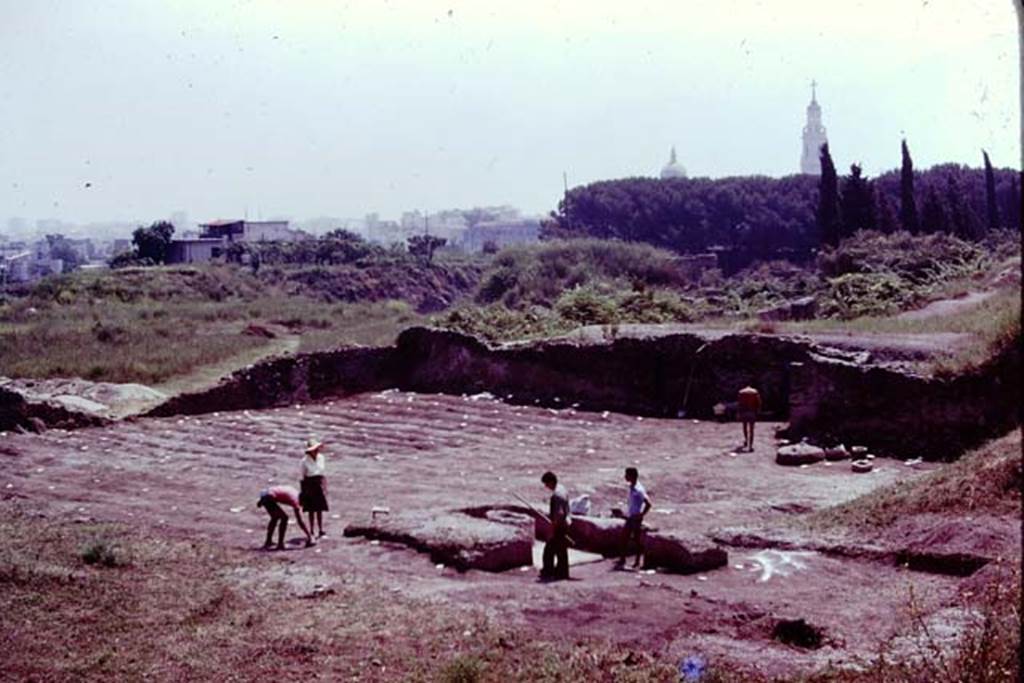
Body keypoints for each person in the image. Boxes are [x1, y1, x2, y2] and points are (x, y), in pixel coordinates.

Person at [257, 485, 315, 550]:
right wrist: (309, 536)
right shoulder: (295, 500)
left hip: (266, 493)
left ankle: (269, 541)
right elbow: (300, 521)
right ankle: (280, 544)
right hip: (268, 496)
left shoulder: (295, 493)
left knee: (275, 518)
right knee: (284, 518)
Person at [617, 467, 652, 569]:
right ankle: (623, 560)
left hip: (635, 518)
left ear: (632, 476)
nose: (625, 477)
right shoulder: (632, 487)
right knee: (625, 538)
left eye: (627, 475)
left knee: (635, 539)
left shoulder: (638, 489)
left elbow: (648, 504)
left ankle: (637, 561)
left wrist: (641, 514)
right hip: (631, 516)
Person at [540, 471, 570, 581]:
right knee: (561, 551)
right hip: (565, 524)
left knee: (549, 551)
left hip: (559, 526)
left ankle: (548, 571)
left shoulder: (556, 496)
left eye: (546, 483)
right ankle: (562, 572)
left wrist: (552, 530)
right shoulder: (562, 489)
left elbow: (559, 514)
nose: (546, 486)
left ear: (551, 482)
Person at [299, 436, 329, 538]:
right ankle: (311, 530)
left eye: (317, 449)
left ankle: (320, 529)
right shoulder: (304, 461)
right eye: (314, 449)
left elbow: (323, 474)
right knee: (311, 510)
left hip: (319, 482)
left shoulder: (321, 458)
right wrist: (303, 492)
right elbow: (303, 476)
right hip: (309, 484)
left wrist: (325, 487)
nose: (316, 451)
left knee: (320, 509)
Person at [737, 384, 762, 452]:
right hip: (752, 412)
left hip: (744, 412)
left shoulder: (741, 392)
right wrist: (758, 411)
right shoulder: (754, 392)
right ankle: (750, 446)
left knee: (744, 427)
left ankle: (746, 440)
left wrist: (739, 413)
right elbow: (759, 402)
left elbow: (739, 404)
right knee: (751, 430)